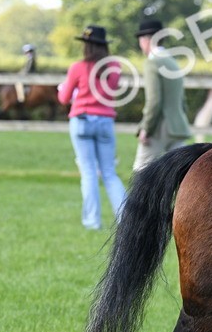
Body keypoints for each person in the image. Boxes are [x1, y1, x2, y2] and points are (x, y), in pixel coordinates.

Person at [58, 26, 127, 230]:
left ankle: (92, 221)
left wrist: (66, 89)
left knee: (88, 173)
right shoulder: (114, 68)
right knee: (109, 172)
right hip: (105, 121)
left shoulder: (77, 68)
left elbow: (64, 98)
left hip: (82, 120)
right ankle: (125, 219)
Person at [133, 19, 191, 171]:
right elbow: (182, 101)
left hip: (160, 127)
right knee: (178, 176)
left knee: (140, 174)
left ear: (147, 40)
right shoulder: (172, 62)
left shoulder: (152, 63)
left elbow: (154, 100)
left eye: (140, 40)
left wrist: (146, 127)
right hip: (178, 127)